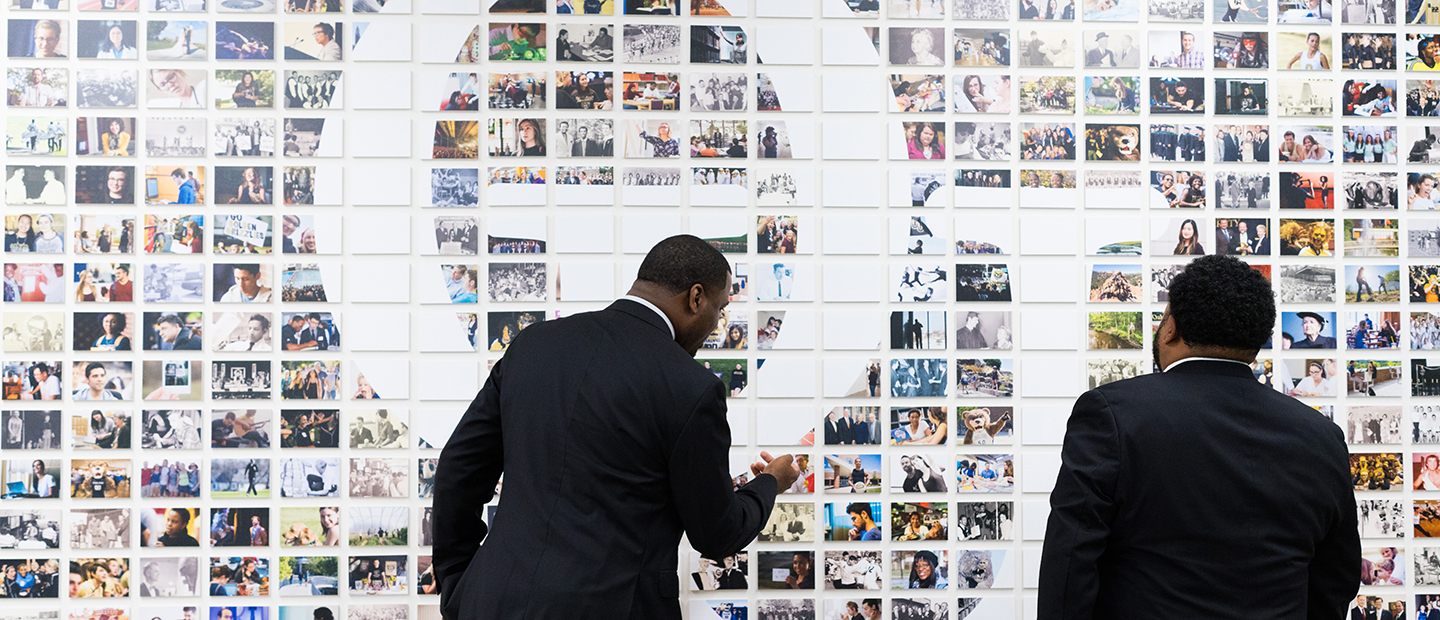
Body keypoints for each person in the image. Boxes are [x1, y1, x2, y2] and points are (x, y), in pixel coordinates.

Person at [434, 235, 799, 620]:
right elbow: (717, 533)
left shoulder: (534, 344)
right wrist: (770, 483)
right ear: (696, 298)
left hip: (492, 603)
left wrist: (459, 583)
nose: (716, 326)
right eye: (720, 310)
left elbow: (459, 471)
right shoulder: (691, 387)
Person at [1038, 254, 1359, 618]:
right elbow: (1336, 577)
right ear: (1258, 341)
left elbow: (1070, 563)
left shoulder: (1112, 415)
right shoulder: (1321, 436)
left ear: (1170, 327)